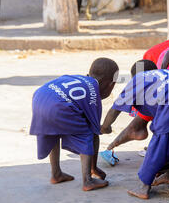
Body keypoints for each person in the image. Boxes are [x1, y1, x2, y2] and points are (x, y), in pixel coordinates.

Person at [29, 58, 119, 191]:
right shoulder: (93, 94)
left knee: (53, 132)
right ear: (110, 85)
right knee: (87, 134)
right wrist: (106, 128)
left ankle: (56, 174)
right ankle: (88, 180)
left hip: (40, 97)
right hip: (58, 106)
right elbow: (95, 130)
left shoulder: (79, 79)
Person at [101, 68, 169, 200]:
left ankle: (144, 186)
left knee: (160, 141)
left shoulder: (136, 81)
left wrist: (104, 127)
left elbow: (114, 110)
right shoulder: (160, 76)